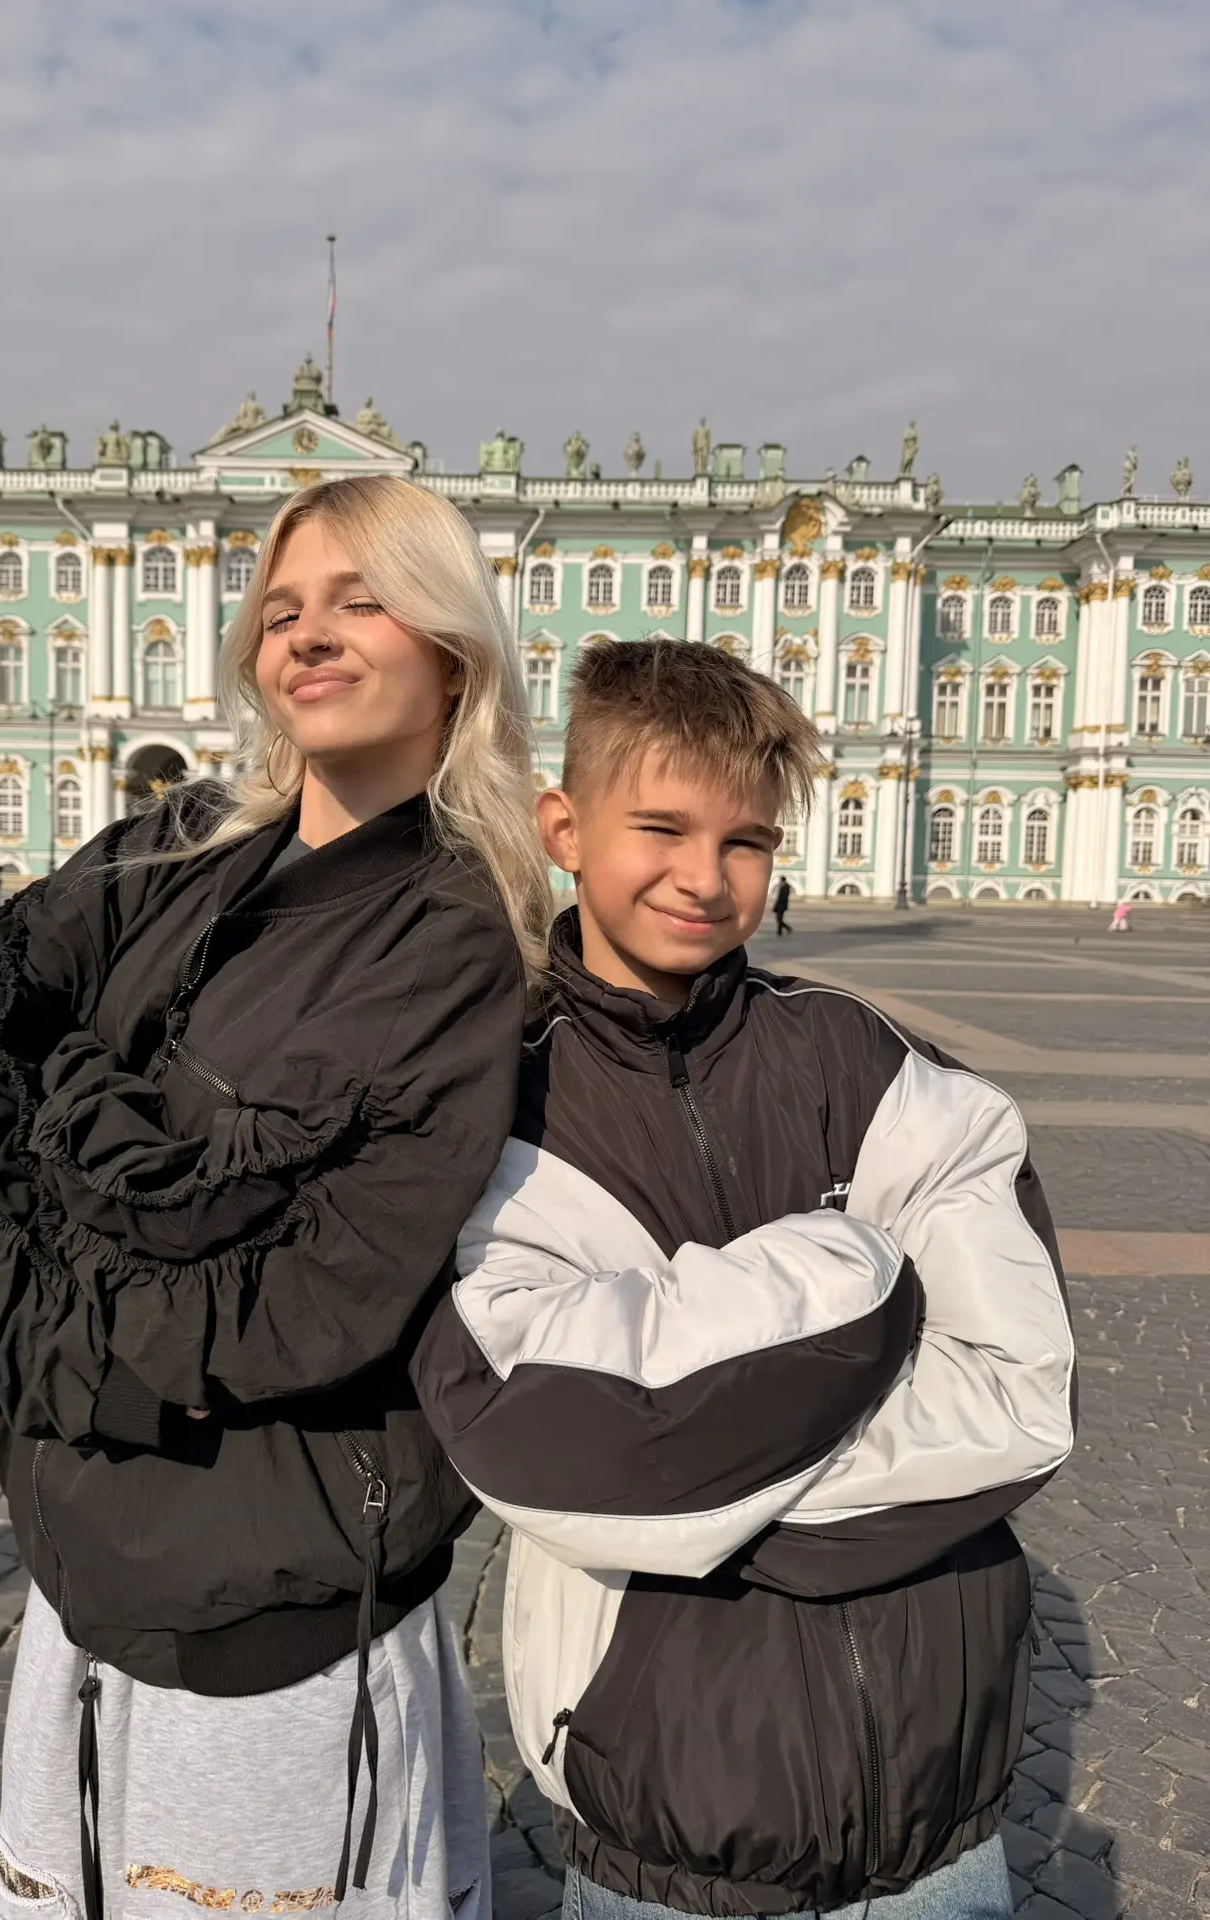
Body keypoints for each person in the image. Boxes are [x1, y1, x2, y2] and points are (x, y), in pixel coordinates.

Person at [0, 475, 552, 1920]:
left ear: (455, 649)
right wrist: (103, 1194)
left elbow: (302, 1296)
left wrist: (51, 1126)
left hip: (275, 1616)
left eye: (362, 600)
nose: (309, 635)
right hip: (83, 1563)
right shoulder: (180, 845)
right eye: (282, 611)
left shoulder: (458, 935)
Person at [414, 640, 1076, 1920]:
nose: (705, 877)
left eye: (748, 842)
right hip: (666, 1827)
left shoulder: (868, 1063)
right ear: (564, 828)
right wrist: (857, 1270)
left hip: (941, 1822)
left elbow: (1020, 1396)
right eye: (660, 828)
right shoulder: (494, 1104)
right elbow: (544, 1436)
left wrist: (705, 1488)